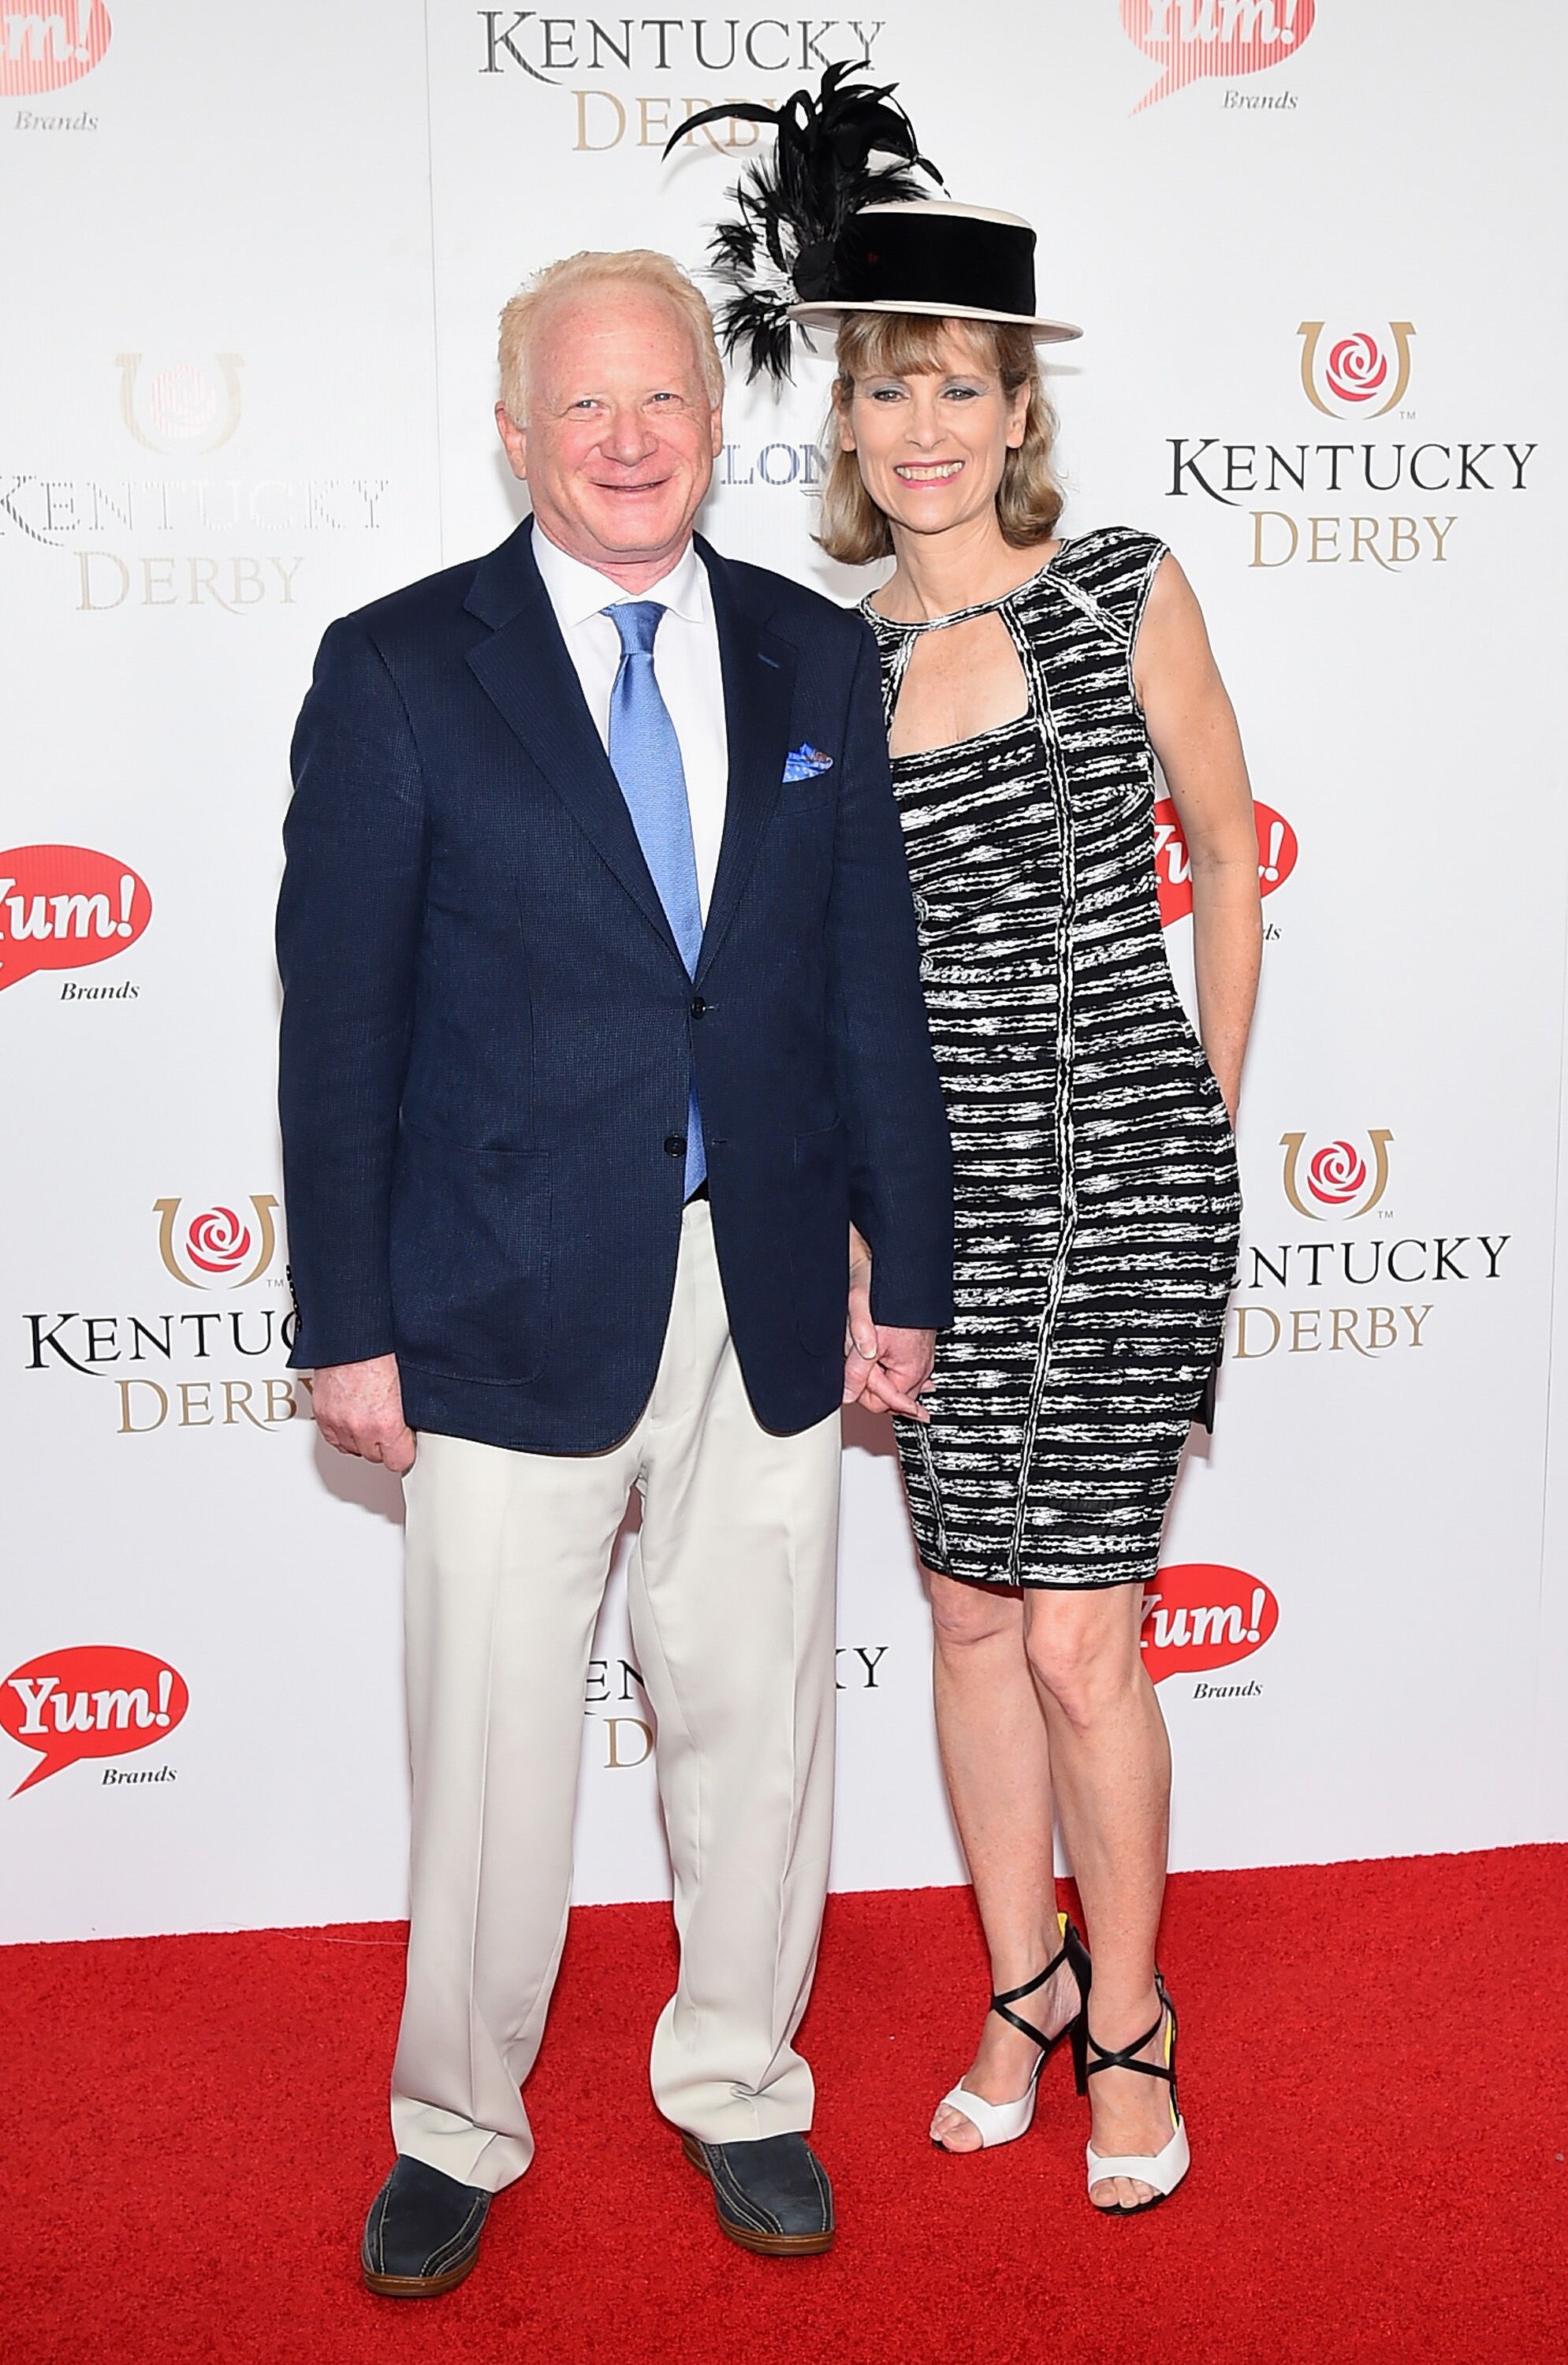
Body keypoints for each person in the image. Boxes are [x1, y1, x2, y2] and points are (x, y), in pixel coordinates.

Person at [274, 246, 952, 2295]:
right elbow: (338, 1026)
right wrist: (345, 1323)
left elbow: (867, 995)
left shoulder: (815, 661)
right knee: (488, 1745)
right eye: (587, 406)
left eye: (662, 399)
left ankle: (741, 2082)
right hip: (489, 1294)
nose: (633, 437)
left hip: (756, 1281)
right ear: (515, 436)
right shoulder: (398, 667)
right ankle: (456, 2123)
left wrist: (897, 1265)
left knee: (755, 1716)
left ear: (708, 426)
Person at [688, 85, 1260, 2215]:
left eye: (958, 385)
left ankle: (1132, 2020)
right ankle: (1016, 1988)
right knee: (956, 1623)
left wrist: (1198, 1103)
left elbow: (1220, 850)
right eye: (883, 389)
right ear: (844, 424)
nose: (919, 426)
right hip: (933, 1203)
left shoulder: (1124, 591)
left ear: (1018, 407)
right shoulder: (822, 669)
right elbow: (820, 991)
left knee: (1086, 1634)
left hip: (1125, 1186)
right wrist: (848, 1232)